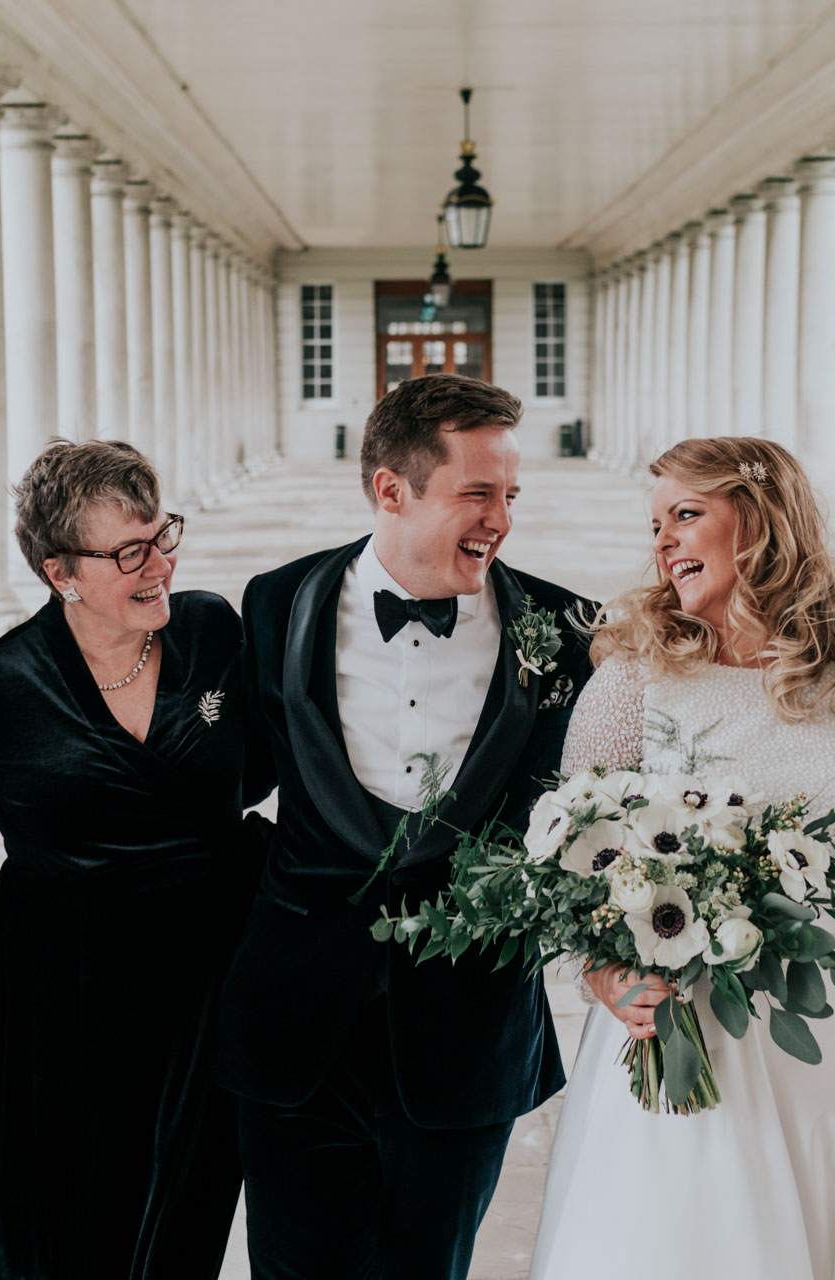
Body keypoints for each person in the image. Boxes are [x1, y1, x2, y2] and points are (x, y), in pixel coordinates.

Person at [528, 436, 835, 1279]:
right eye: (656, 525)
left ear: (759, 519)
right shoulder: (635, 673)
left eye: (687, 515)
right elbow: (568, 855)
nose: (664, 542)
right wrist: (602, 973)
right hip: (683, 1022)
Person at [212, 373, 596, 1280]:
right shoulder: (275, 602)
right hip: (295, 1028)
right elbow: (227, 780)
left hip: (467, 1037)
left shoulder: (565, 628)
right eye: (476, 494)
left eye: (509, 495)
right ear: (392, 488)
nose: (500, 518)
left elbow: (596, 815)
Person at [0, 439, 269, 1279]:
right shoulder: (1, 687)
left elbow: (264, 769)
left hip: (202, 988)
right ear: (62, 572)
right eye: (130, 552)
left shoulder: (212, 629)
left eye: (163, 537)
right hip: (59, 996)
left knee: (182, 1222)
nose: (158, 563)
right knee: (52, 1229)